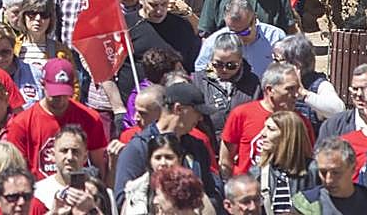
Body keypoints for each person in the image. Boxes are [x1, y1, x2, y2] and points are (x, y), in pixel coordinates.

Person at [114, 82, 222, 210]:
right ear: (178, 109)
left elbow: (211, 191)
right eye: (197, 112)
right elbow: (123, 199)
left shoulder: (197, 147)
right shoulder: (138, 148)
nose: (200, 119)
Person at [3, 58, 107, 179]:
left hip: (78, 190)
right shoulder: (22, 123)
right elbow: (15, 171)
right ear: (42, 84)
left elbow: (99, 168)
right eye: (55, 95)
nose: (60, 100)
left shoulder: (90, 118)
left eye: (64, 94)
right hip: (38, 192)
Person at [220, 62, 311, 177]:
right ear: (269, 90)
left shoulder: (299, 121)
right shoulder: (242, 114)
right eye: (289, 89)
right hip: (248, 189)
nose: (296, 95)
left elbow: (307, 160)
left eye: (297, 89)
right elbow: (225, 160)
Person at [292, 138, 367, 215]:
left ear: (353, 169)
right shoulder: (305, 203)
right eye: (323, 172)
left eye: (336, 172)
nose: (328, 180)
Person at [193, 33, 261, 142]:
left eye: (231, 65)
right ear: (211, 60)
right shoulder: (197, 81)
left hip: (241, 144)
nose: (224, 70)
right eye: (218, 64)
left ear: (240, 61)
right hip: (210, 146)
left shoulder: (253, 83)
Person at [194, 0, 286, 79]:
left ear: (255, 19)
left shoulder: (276, 37)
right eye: (234, 32)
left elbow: (288, 68)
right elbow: (200, 70)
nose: (240, 37)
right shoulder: (214, 41)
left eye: (245, 32)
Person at [129, 0, 202, 72]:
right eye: (153, 5)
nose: (159, 11)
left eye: (164, 4)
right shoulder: (126, 26)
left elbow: (191, 66)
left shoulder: (182, 27)